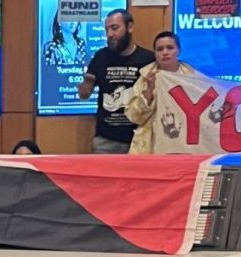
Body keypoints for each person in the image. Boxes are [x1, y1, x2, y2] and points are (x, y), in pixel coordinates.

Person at [77, 9, 154, 154]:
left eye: (114, 28)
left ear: (130, 27)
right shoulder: (101, 57)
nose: (110, 34)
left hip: (138, 138)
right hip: (106, 140)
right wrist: (84, 88)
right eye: (107, 30)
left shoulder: (147, 59)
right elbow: (85, 93)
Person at [126, 32, 196, 154]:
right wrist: (149, 90)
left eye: (170, 48)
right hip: (151, 145)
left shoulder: (193, 79)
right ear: (155, 53)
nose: (165, 52)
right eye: (160, 49)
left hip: (183, 143)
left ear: (178, 50)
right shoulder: (146, 77)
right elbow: (134, 117)